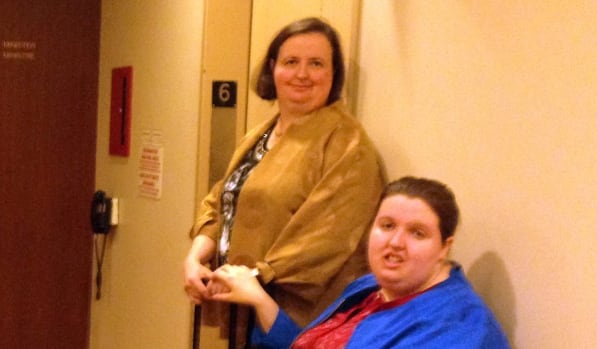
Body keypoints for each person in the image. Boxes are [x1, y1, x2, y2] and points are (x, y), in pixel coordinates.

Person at [183, 17, 385, 346]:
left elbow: (327, 238)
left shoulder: (348, 144)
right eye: (291, 62)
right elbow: (221, 201)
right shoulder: (259, 135)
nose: (302, 74)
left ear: (333, 75)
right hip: (241, 304)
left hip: (294, 316)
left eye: (316, 63)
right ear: (273, 69)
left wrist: (257, 275)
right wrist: (195, 259)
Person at [205, 176, 510, 348]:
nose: (395, 243)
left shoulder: (458, 329)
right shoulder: (372, 288)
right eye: (387, 226)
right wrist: (258, 298)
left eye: (417, 233)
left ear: (445, 247)